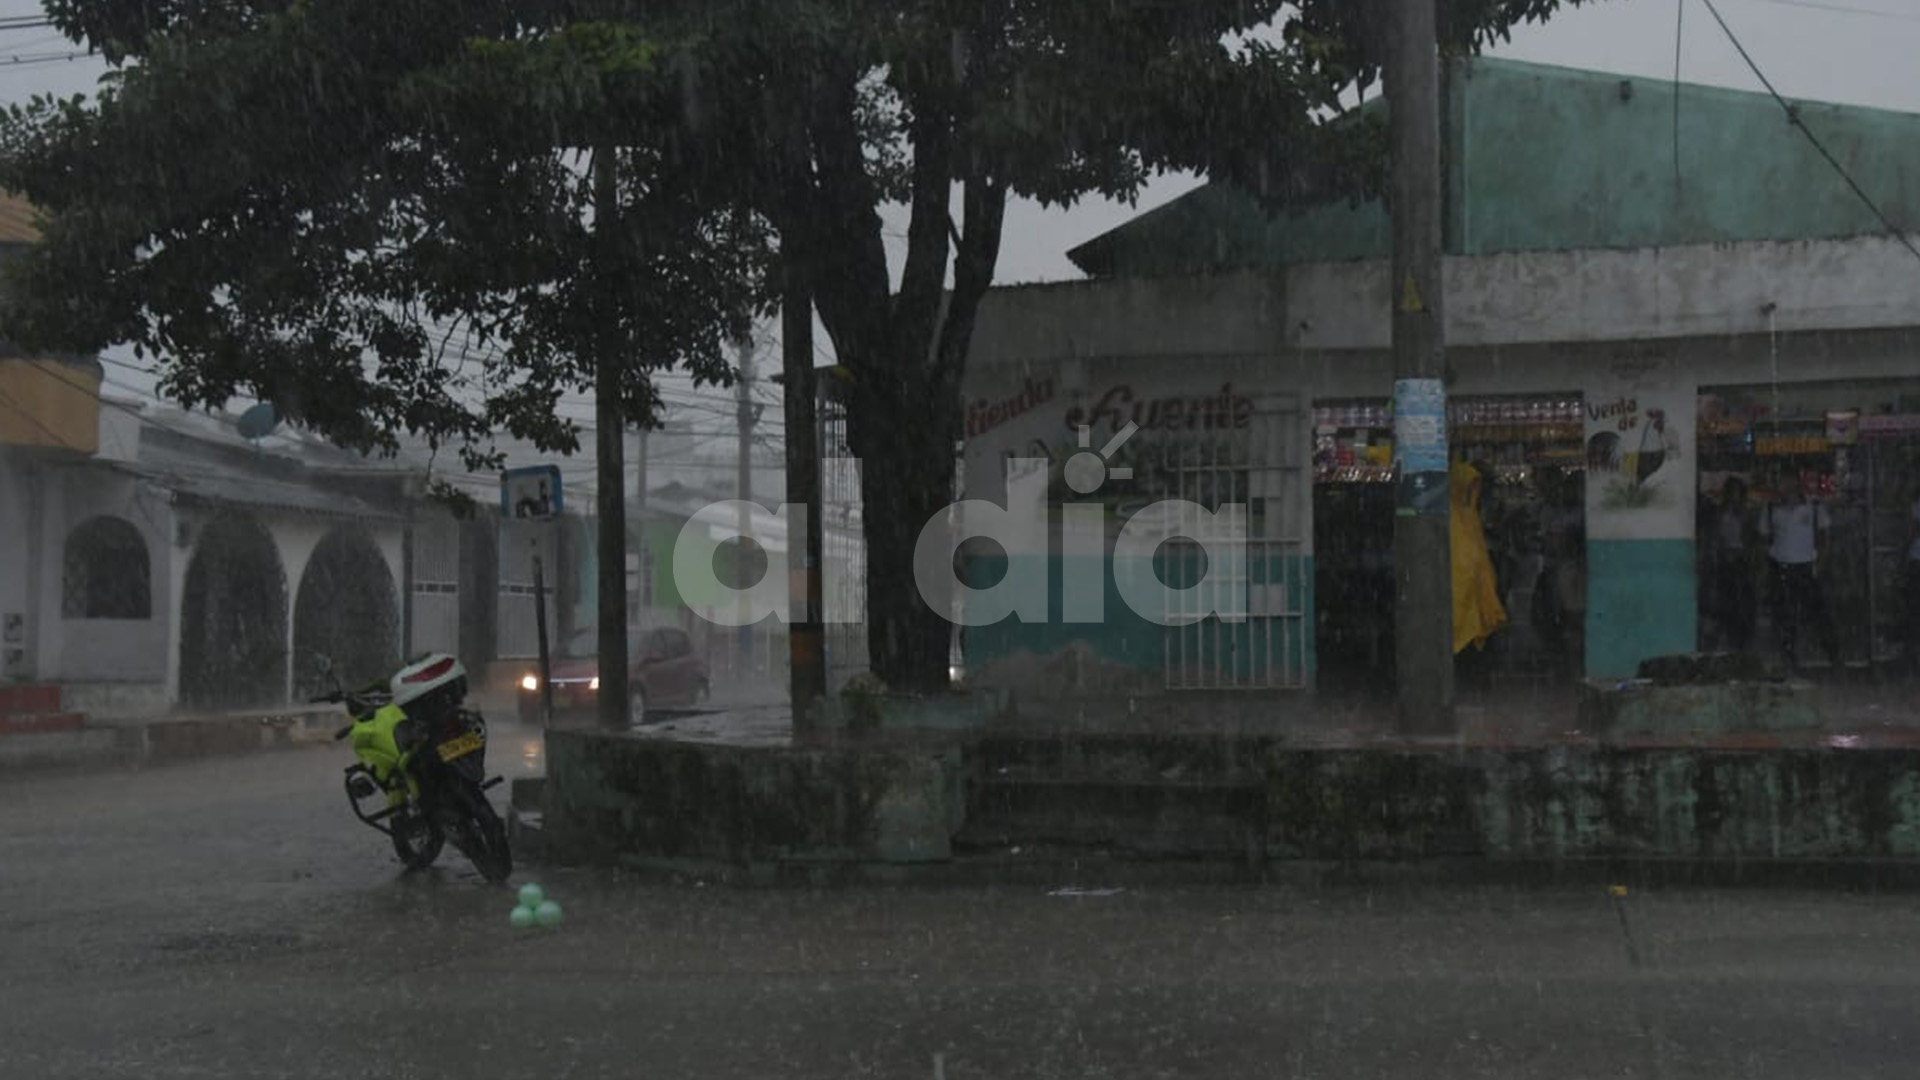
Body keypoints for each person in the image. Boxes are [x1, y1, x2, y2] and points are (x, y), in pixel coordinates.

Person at [1758, 474, 1838, 673]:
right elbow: (1762, 540)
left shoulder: (1813, 508)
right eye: (1782, 482)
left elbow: (1826, 538)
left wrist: (1819, 565)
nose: (1786, 486)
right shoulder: (1770, 510)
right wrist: (1768, 564)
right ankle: (1790, 660)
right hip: (1782, 568)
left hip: (1806, 568)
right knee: (1786, 617)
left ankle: (1834, 656)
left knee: (1818, 614)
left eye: (1789, 481)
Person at [1710, 478, 1760, 652]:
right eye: (1732, 493)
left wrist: (1745, 555)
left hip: (1741, 559)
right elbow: (1715, 538)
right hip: (1727, 559)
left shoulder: (1746, 514)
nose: (1734, 497)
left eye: (1737, 493)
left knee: (1743, 600)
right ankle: (1733, 636)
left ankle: (1743, 637)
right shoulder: (1720, 514)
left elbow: (1752, 539)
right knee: (1729, 600)